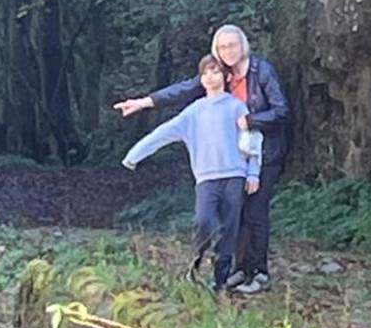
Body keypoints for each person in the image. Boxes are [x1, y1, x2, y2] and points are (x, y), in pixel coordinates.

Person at [115, 24, 289, 294]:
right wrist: (145, 102)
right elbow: (183, 90)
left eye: (232, 45)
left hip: (264, 152)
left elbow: (281, 111)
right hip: (235, 155)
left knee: (255, 212)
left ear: (243, 46)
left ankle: (259, 272)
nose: (228, 51)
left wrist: (251, 120)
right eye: (222, 47)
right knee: (237, 215)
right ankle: (240, 269)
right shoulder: (220, 73)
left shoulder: (262, 71)